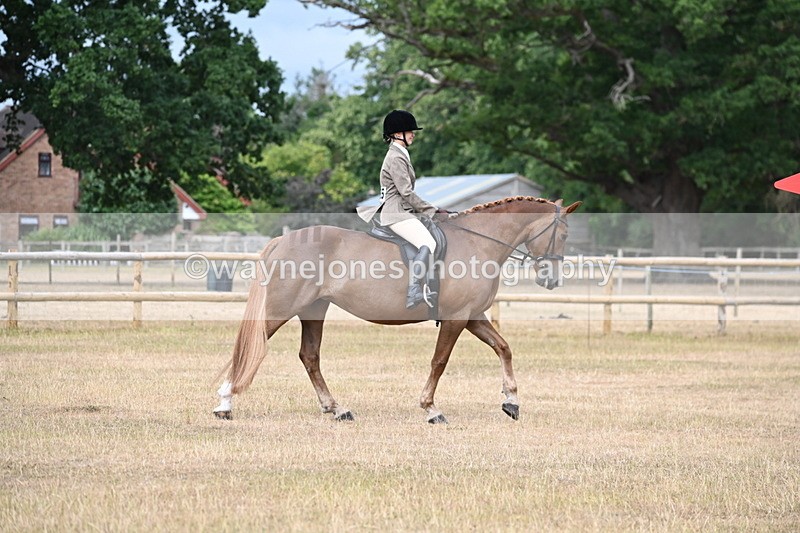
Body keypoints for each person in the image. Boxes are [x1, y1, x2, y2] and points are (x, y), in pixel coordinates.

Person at [356, 109, 439, 309]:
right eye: (409, 131)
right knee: (429, 242)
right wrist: (431, 211)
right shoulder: (395, 157)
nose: (413, 134)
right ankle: (414, 291)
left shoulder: (400, 154)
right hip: (396, 213)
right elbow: (406, 192)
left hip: (401, 210)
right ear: (396, 134)